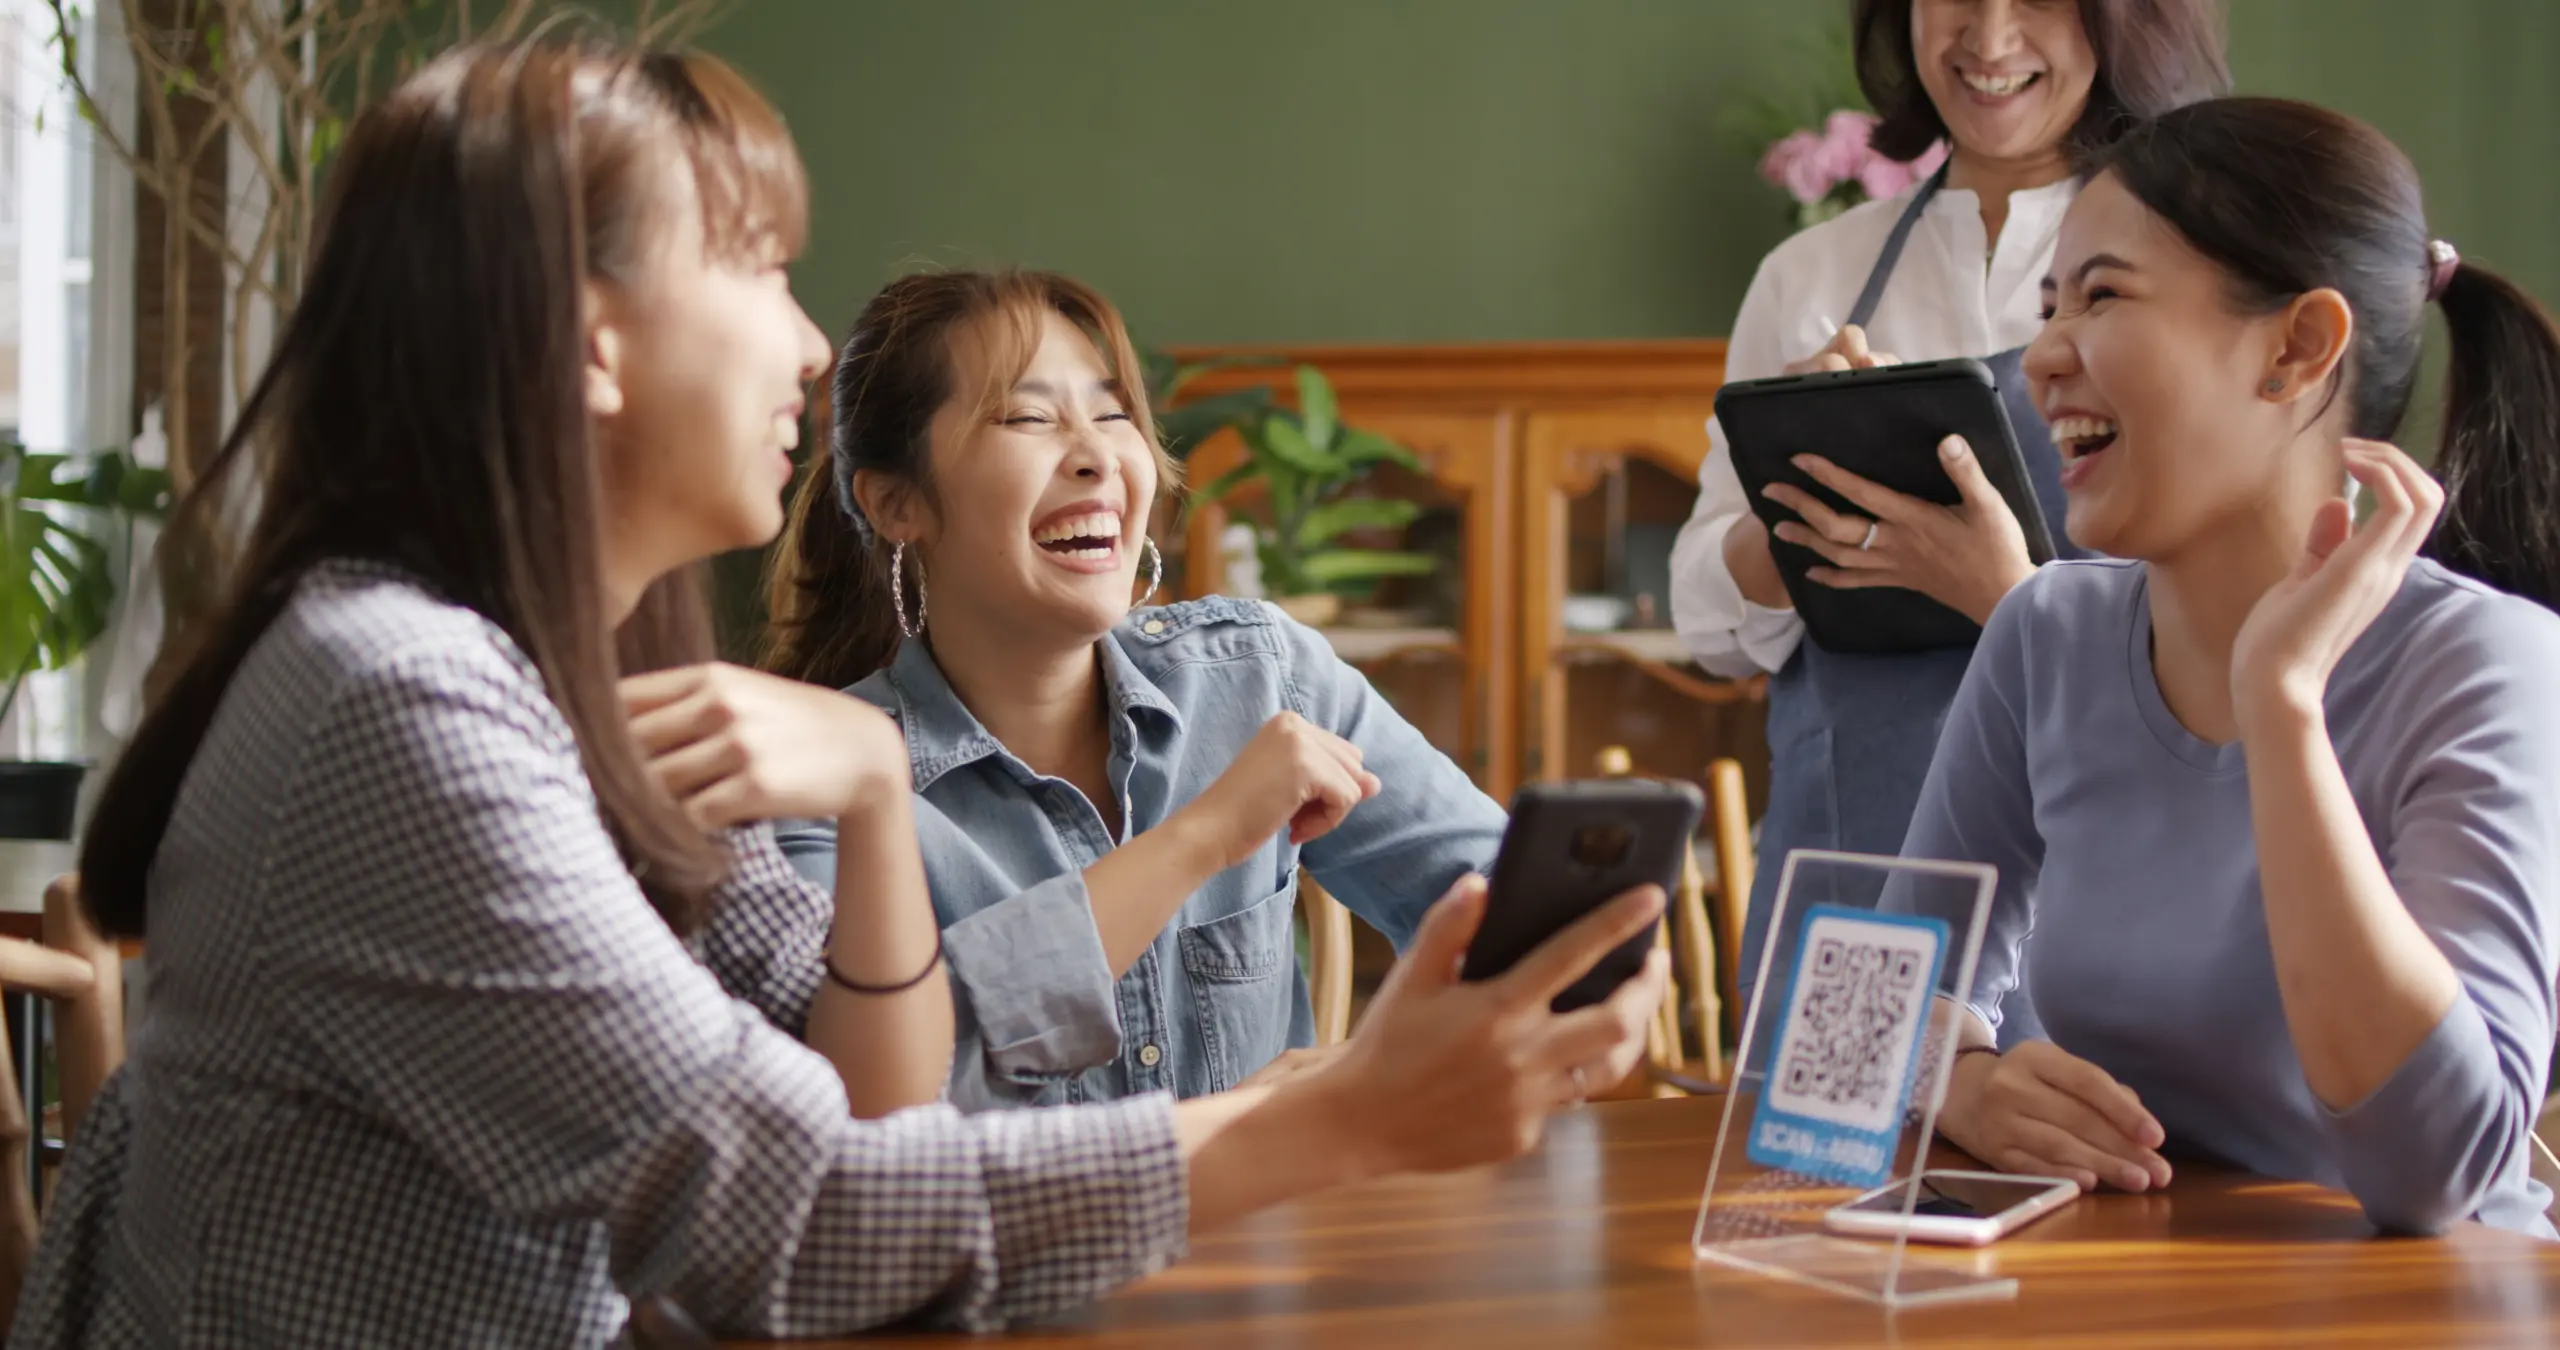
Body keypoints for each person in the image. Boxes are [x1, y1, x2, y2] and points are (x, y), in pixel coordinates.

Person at [17, 38, 1668, 1344]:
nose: (811, 348)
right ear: (590, 343)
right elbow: (788, 1222)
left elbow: (850, 1100)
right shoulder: (399, 699)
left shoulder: (551, 684)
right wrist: (1336, 1125)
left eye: (1116, 414)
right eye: (753, 268)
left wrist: (878, 797)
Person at [1901, 96, 2560, 1237]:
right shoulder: (2045, 634)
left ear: (2297, 348)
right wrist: (1957, 1079)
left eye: (2101, 296)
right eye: (2047, 306)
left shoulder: (2481, 664)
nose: (2039, 357)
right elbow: (1864, 1013)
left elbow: (2433, 1181)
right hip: (2124, 1289)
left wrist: (2282, 708)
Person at [759, 269, 1516, 1108]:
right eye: (1029, 417)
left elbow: (1507, 903)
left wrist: (1389, 1054)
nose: (1097, 458)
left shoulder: (1261, 676)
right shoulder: (818, 785)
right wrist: (1207, 835)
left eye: (1114, 413)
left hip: (1284, 1237)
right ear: (898, 503)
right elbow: (867, 1093)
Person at [1668, 0, 2227, 1017]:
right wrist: (1791, 506)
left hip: (2108, 894)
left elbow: (2240, 613)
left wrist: (2005, 597)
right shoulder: (1812, 274)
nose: (1990, 35)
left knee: (2110, 1168)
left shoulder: (2198, 262)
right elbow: (1707, 625)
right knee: (1830, 1170)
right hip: (1853, 896)